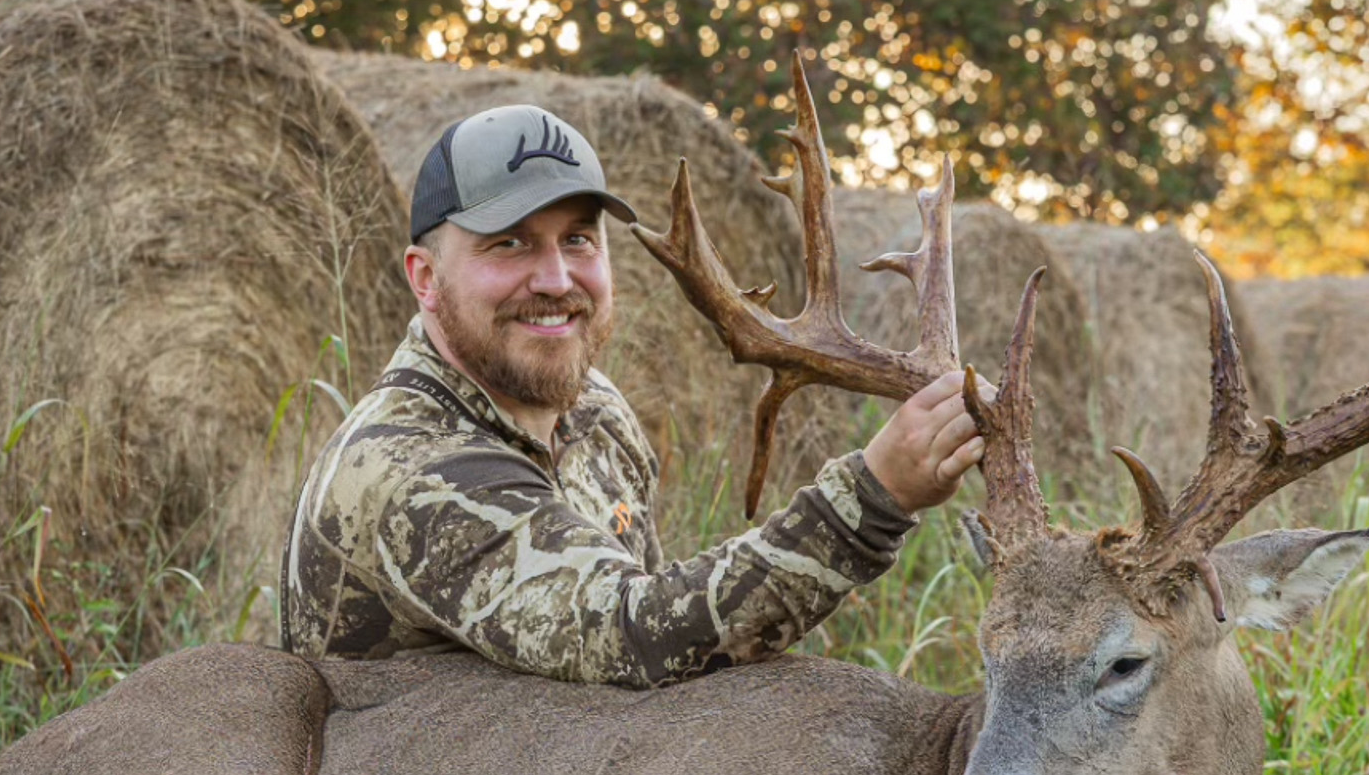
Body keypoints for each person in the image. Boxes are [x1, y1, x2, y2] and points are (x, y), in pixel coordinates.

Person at [280, 105, 986, 687]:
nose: (556, 278)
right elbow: (636, 637)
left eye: (579, 240)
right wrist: (870, 498)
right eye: (510, 245)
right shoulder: (409, 469)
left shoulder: (595, 409)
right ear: (425, 278)